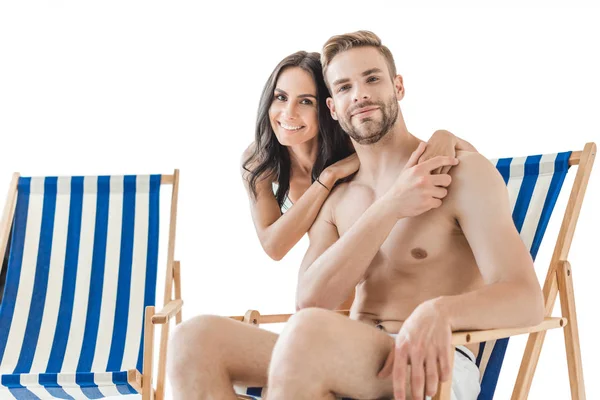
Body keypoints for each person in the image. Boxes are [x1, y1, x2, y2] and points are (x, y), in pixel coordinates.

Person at [168, 32, 542, 400]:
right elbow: (310, 302)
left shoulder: (458, 173)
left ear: (398, 86)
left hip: (428, 365)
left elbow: (527, 300)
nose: (360, 94)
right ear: (333, 107)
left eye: (372, 79)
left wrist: (438, 312)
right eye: (344, 87)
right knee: (194, 341)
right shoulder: (337, 195)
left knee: (307, 335)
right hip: (339, 354)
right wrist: (390, 205)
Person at [241, 51, 477, 267]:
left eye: (306, 102)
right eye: (280, 97)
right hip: (332, 283)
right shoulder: (260, 159)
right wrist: (327, 178)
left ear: (328, 108)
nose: (288, 113)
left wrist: (446, 136)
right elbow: (274, 247)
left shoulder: (354, 145)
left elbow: (427, 155)